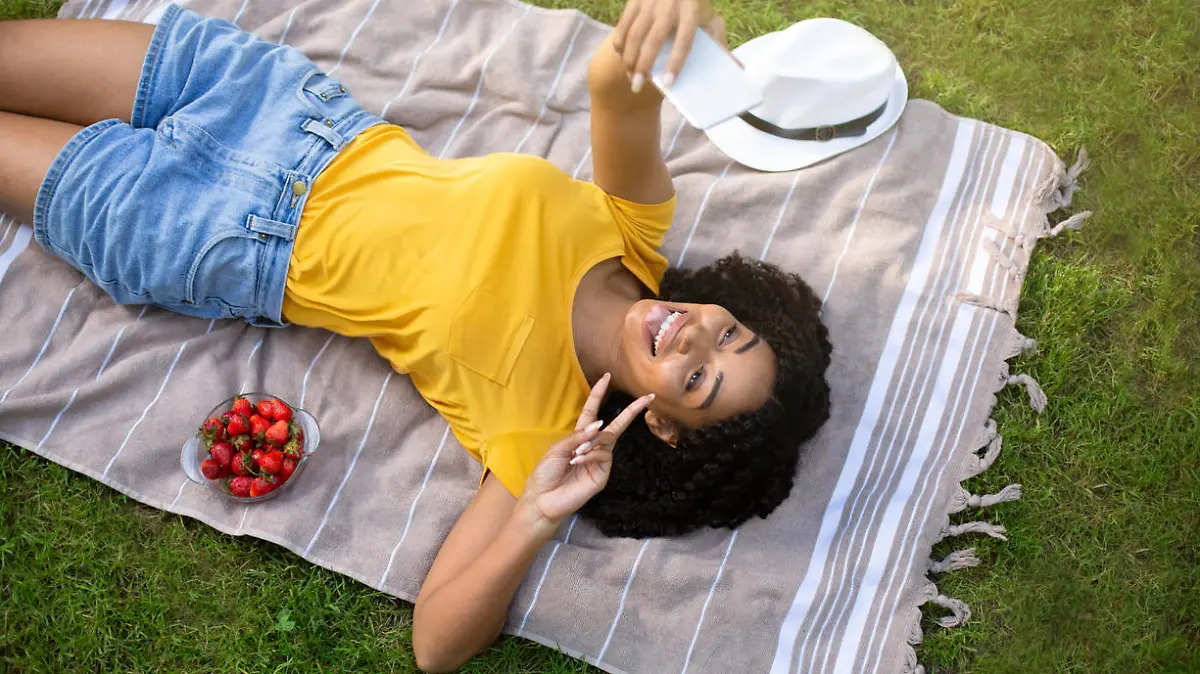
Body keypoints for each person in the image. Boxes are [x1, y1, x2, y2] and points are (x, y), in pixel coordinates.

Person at [0, 0, 831, 669]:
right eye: (731, 336)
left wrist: (539, 514)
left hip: (208, 232)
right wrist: (674, 25)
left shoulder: (542, 430)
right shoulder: (634, 231)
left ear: (660, 423)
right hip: (280, 107)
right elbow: (618, 86)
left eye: (698, 381)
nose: (695, 340)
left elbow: (437, 644)